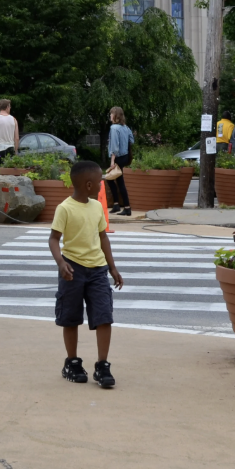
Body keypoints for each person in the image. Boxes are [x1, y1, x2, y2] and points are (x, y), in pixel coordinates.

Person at [48, 160, 123, 389]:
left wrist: (112, 267)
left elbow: (103, 237)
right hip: (72, 269)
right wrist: (61, 262)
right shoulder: (65, 208)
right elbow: (53, 239)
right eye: (100, 181)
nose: (102, 184)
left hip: (98, 270)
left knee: (104, 315)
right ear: (89, 184)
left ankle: (102, 365)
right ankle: (72, 362)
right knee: (70, 318)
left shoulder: (97, 207)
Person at [106, 106, 135, 216]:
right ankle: (117, 205)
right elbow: (131, 140)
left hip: (118, 157)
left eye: (111, 114)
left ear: (115, 115)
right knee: (115, 180)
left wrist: (112, 161)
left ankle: (126, 207)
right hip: (125, 156)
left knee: (116, 181)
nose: (110, 115)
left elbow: (114, 147)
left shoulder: (114, 128)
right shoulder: (125, 127)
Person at [0, 99, 19, 170]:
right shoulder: (14, 119)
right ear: (7, 107)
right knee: (10, 171)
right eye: (10, 106)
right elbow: (16, 138)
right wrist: (15, 151)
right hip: (10, 148)